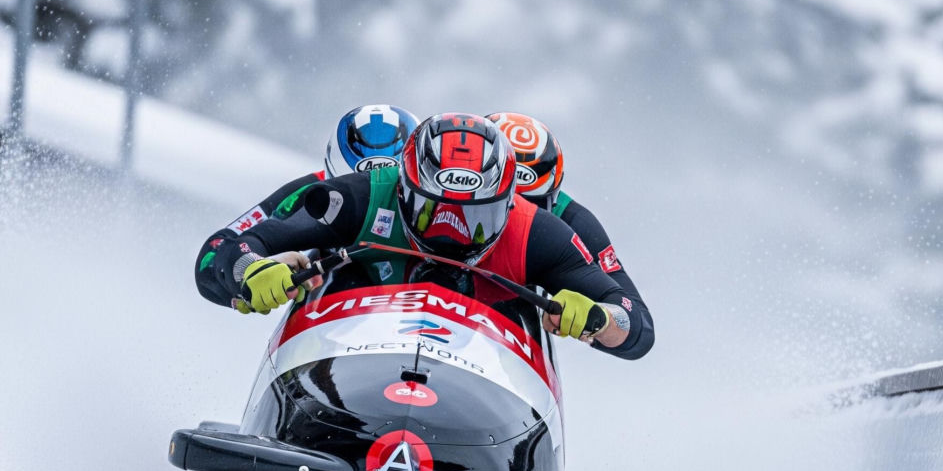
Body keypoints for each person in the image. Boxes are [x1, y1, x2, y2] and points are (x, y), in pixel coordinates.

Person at [197, 113, 654, 359]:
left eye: (476, 216)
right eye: (434, 210)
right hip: (348, 349)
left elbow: (636, 324)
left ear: (510, 201)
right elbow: (223, 249)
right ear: (403, 186)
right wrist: (251, 271)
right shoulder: (360, 196)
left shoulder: (540, 232)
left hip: (488, 367)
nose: (451, 232)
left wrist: (597, 318)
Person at [195, 104, 418, 312]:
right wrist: (251, 270)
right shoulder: (309, 195)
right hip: (335, 307)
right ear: (334, 177)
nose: (370, 198)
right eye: (357, 189)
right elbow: (215, 253)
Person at [485, 111, 652, 349]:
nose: (514, 213)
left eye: (529, 204)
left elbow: (639, 323)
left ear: (552, 198)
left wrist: (599, 316)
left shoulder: (574, 222)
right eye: (499, 201)